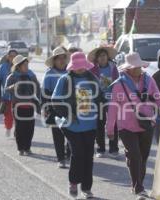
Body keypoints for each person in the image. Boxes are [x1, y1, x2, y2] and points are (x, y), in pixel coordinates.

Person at [106, 52, 160, 200]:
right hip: (126, 126)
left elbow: (158, 98)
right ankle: (138, 187)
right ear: (128, 69)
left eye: (139, 66)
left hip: (146, 123)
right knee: (136, 156)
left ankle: (138, 182)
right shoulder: (119, 84)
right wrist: (110, 128)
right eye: (135, 67)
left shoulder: (149, 80)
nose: (138, 69)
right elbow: (112, 108)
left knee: (143, 158)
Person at [52, 52, 104, 199]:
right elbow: (55, 100)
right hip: (71, 125)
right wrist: (68, 113)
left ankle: (86, 188)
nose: (81, 69)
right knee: (78, 153)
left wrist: (102, 116)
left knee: (88, 156)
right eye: (78, 66)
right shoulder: (65, 79)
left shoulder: (92, 78)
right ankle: (73, 182)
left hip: (91, 124)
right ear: (72, 67)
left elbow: (100, 97)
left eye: (83, 66)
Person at [5, 55, 41, 156]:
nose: (26, 67)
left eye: (27, 64)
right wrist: (13, 87)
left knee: (30, 127)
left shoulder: (31, 76)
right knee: (20, 128)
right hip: (17, 106)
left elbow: (38, 89)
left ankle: (28, 148)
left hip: (30, 106)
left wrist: (38, 101)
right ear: (18, 66)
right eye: (24, 65)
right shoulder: (12, 77)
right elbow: (6, 89)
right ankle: (20, 148)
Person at [42, 46, 71, 168]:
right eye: (58, 58)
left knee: (71, 133)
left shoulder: (71, 71)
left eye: (63, 58)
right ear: (54, 60)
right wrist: (45, 108)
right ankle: (60, 158)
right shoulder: (49, 74)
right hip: (54, 108)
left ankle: (69, 154)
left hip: (69, 107)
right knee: (58, 134)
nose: (61, 60)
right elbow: (44, 93)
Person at [88, 46, 120, 158]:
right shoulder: (92, 69)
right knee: (100, 123)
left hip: (112, 99)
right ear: (96, 58)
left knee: (113, 123)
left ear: (107, 57)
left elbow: (118, 82)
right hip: (98, 99)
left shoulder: (113, 67)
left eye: (104, 55)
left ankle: (114, 148)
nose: (102, 58)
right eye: (100, 56)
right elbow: (90, 84)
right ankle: (100, 148)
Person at [0, 49, 18, 137]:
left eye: (15, 56)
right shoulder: (3, 66)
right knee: (8, 114)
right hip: (6, 96)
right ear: (8, 57)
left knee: (17, 114)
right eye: (11, 56)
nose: (13, 58)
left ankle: (17, 131)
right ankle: (8, 128)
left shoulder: (20, 66)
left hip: (18, 96)